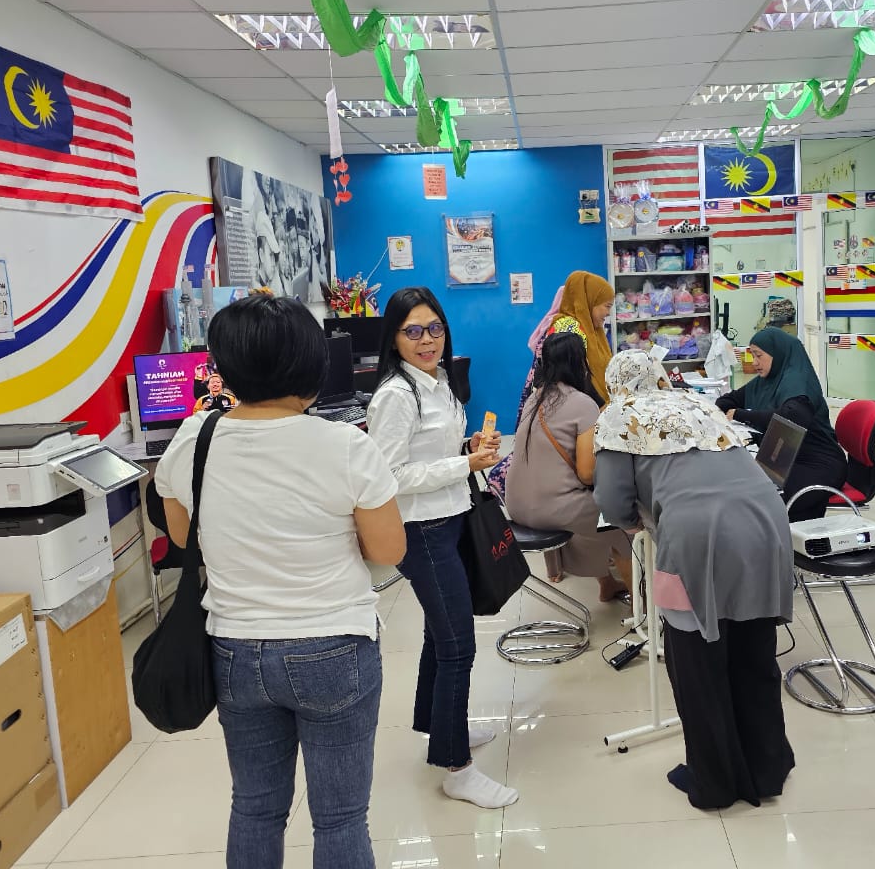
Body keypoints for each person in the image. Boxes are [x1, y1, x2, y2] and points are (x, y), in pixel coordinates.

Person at [153, 294, 406, 869]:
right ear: (312, 365)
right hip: (333, 644)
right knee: (340, 819)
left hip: (235, 651)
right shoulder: (346, 445)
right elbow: (389, 550)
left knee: (254, 808)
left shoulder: (196, 438)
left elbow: (183, 534)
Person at [593, 350, 796, 810]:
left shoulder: (618, 416)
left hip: (692, 537)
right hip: (766, 522)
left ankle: (715, 782)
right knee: (754, 651)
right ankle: (767, 768)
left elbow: (612, 498)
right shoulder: (697, 403)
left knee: (696, 662)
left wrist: (636, 521)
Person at [365, 286, 518, 810]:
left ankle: (441, 725)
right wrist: (463, 464)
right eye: (413, 331)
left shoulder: (440, 381)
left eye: (434, 328)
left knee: (441, 631)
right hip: (422, 531)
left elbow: (431, 449)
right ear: (394, 337)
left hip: (451, 518)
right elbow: (390, 476)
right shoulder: (395, 395)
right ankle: (456, 768)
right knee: (458, 646)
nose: (427, 340)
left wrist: (467, 448)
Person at [505, 331, 633, 601]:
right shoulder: (582, 403)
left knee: (582, 504)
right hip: (550, 509)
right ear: (579, 362)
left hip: (516, 505)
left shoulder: (535, 399)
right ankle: (641, 606)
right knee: (622, 520)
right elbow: (586, 473)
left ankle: (606, 583)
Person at [489, 271, 614, 499]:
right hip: (568, 408)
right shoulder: (570, 328)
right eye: (606, 306)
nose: (608, 312)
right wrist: (602, 406)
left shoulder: (588, 328)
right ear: (589, 301)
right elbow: (573, 374)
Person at [714, 326, 847, 521]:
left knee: (757, 495)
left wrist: (740, 415)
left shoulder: (798, 382)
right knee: (743, 483)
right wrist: (724, 410)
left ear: (777, 353)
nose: (755, 362)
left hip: (817, 464)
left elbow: (791, 418)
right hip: (784, 457)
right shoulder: (767, 380)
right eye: (752, 355)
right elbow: (728, 400)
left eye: (759, 355)